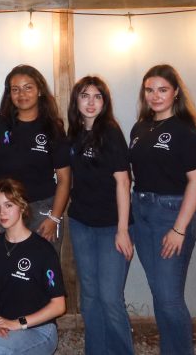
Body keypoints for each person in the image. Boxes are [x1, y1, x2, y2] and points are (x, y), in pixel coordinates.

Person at [129, 65, 196, 355]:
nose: (155, 96)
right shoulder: (140, 127)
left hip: (171, 214)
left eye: (162, 89)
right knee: (160, 295)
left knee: (169, 298)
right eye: (149, 90)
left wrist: (179, 229)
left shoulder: (186, 130)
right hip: (142, 212)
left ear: (175, 92)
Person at [65, 76, 135, 355]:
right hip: (81, 223)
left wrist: (122, 230)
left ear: (105, 102)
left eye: (98, 96)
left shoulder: (110, 132)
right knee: (90, 298)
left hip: (111, 227)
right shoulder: (74, 133)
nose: (91, 102)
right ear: (76, 101)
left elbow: (123, 182)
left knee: (110, 298)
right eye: (85, 95)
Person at [0, 65, 69, 252]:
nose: (22, 94)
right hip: (6, 208)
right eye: (15, 89)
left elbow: (64, 179)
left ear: (40, 90)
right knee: (11, 271)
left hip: (44, 210)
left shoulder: (52, 128)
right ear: (9, 94)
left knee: (44, 271)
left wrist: (55, 217)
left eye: (28, 87)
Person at [0, 179, 66, 355]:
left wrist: (18, 323)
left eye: (8, 205)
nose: (1, 212)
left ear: (23, 207)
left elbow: (59, 305)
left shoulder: (43, 249)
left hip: (40, 330)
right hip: (9, 329)